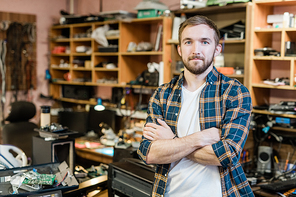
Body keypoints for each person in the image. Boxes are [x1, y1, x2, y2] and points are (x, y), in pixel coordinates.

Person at [137, 15, 254, 197]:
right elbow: (148, 154)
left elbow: (228, 155)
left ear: (217, 49)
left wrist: (172, 142)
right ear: (179, 49)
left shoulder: (235, 93)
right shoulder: (162, 95)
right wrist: (200, 138)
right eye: (188, 42)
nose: (196, 49)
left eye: (204, 42)